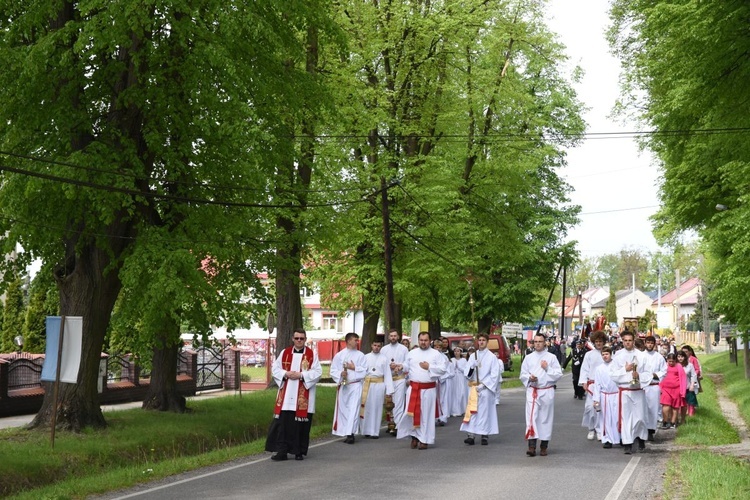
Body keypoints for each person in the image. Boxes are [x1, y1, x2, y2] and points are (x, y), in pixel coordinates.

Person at [265, 329, 323, 461]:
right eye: (297, 338)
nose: (299, 341)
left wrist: (301, 375)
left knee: (300, 426)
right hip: (286, 396)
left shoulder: (311, 354)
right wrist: (286, 374)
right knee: (283, 425)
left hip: (303, 397)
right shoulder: (285, 352)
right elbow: (275, 368)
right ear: (292, 338)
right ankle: (282, 451)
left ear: (305, 339)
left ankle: (298, 451)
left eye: (302, 338)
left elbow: (318, 372)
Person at [396, 332, 448, 450]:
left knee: (426, 415)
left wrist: (429, 367)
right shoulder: (412, 353)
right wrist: (401, 367)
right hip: (414, 388)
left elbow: (443, 369)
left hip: (428, 389)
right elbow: (406, 365)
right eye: (421, 340)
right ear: (418, 340)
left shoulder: (436, 354)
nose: (423, 342)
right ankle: (414, 436)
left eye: (425, 340)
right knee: (411, 413)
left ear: (430, 341)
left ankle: (425, 439)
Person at [520, 333, 563, 457]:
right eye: (536, 341)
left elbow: (558, 374)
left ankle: (544, 445)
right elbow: (523, 374)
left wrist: (547, 368)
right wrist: (529, 378)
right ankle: (531, 446)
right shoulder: (528, 358)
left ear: (545, 343)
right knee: (531, 417)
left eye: (540, 341)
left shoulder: (551, 357)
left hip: (546, 391)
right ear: (533, 343)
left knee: (545, 418)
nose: (538, 343)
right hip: (532, 391)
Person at [610, 331, 649, 454]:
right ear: (622, 341)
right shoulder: (618, 356)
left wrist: (639, 375)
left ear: (634, 340)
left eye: (630, 340)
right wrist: (624, 369)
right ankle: (627, 443)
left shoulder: (641, 356)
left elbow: (648, 373)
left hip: (638, 390)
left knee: (640, 417)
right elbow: (612, 374)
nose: (628, 342)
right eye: (625, 340)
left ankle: (641, 438)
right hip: (625, 390)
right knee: (626, 417)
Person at [460, 333, 501, 446]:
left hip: (485, 388)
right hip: (474, 387)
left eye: (483, 340)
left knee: (484, 412)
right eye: (480, 340)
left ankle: (484, 435)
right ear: (477, 342)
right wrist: (472, 367)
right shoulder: (474, 356)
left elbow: (494, 374)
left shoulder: (492, 357)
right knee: (473, 411)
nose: (481, 342)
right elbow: (467, 374)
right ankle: (471, 435)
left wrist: (484, 385)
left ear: (487, 342)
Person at [330, 332, 367, 444]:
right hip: (344, 385)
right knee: (344, 410)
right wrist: (341, 374)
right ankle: (344, 431)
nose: (357, 342)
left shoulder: (360, 355)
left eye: (357, 340)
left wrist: (354, 367)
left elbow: (365, 370)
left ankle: (351, 433)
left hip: (355, 385)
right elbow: (333, 370)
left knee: (353, 409)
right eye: (355, 340)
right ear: (348, 340)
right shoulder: (339, 355)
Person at [359, 338, 394, 438]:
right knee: (367, 407)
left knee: (377, 407)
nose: (376, 348)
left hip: (379, 384)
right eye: (375, 345)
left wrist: (389, 390)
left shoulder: (384, 358)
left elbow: (387, 374)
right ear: (371, 345)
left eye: (378, 346)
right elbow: (361, 372)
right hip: (367, 384)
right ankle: (366, 430)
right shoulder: (365, 357)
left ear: (381, 346)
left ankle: (374, 431)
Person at [380, 329, 409, 435]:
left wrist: (399, 366)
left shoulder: (404, 349)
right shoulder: (384, 349)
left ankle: (398, 425)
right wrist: (388, 367)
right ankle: (390, 424)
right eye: (391, 336)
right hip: (388, 380)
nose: (393, 337)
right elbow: (381, 363)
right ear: (388, 337)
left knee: (399, 403)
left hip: (399, 378)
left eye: (395, 336)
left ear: (398, 337)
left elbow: (407, 363)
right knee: (388, 403)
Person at [579, 330, 606, 439]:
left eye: (601, 341)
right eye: (597, 341)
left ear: (604, 342)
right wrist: (584, 382)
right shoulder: (589, 354)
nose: (599, 343)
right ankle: (591, 429)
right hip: (592, 384)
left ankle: (600, 429)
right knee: (590, 408)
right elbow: (585, 368)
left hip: (603, 385)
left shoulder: (607, 353)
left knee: (600, 408)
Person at [591, 346, 620, 448]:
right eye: (603, 354)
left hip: (615, 394)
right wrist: (596, 399)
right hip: (605, 395)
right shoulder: (599, 368)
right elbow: (597, 384)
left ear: (610, 354)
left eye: (607, 354)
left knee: (617, 417)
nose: (605, 356)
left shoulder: (616, 366)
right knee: (605, 418)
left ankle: (618, 437)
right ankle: (607, 439)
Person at [642, 335, 667, 441]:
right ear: (645, 344)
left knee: (653, 409)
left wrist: (654, 375)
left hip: (654, 385)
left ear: (654, 344)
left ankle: (650, 431)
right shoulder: (640, 356)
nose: (650, 345)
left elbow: (664, 371)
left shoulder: (659, 357)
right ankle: (642, 430)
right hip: (643, 386)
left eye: (651, 343)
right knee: (643, 409)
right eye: (648, 343)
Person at [659, 353, 685, 429]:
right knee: (665, 405)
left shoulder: (679, 366)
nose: (671, 363)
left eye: (672, 361)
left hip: (676, 389)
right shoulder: (664, 366)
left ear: (675, 361)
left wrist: (682, 391)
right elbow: (661, 376)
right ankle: (665, 421)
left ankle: (673, 422)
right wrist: (660, 387)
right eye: (669, 361)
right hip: (665, 389)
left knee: (675, 406)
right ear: (667, 360)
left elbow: (683, 378)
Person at [435, 339, 453, 427]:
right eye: (436, 347)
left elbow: (448, 370)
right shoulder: (431, 356)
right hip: (433, 381)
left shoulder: (444, 357)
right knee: (434, 399)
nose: (437, 349)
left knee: (442, 399)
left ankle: (443, 417)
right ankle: (434, 417)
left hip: (442, 380)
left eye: (439, 347)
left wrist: (442, 377)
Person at [677, 350, 698, 423]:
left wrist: (692, 385)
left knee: (689, 401)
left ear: (684, 357)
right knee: (679, 403)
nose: (680, 358)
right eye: (678, 357)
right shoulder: (675, 365)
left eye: (682, 356)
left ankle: (689, 415)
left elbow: (693, 375)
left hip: (687, 386)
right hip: (678, 387)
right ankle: (678, 417)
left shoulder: (689, 365)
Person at [449, 348, 468, 416]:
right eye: (455, 351)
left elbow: (466, 370)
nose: (456, 353)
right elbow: (450, 369)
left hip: (461, 378)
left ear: (460, 352)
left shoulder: (464, 360)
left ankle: (463, 409)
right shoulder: (452, 360)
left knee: (462, 392)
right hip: (454, 378)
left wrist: (459, 367)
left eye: (458, 351)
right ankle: (455, 410)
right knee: (454, 393)